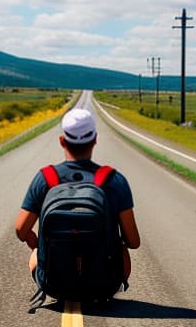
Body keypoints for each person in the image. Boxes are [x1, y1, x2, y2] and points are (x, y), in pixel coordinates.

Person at [15, 107, 140, 286]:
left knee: (36, 253)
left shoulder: (46, 178)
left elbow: (21, 229)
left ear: (62, 141)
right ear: (95, 139)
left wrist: (35, 242)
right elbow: (133, 242)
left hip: (53, 283)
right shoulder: (113, 181)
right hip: (104, 284)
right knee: (122, 249)